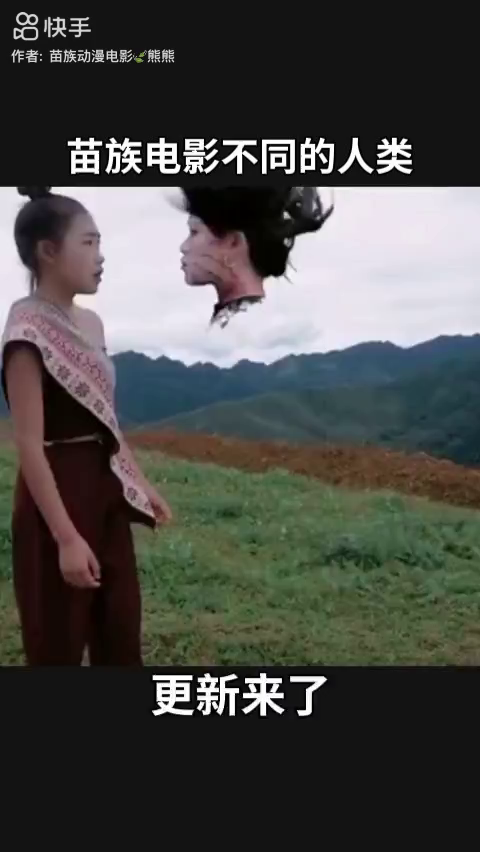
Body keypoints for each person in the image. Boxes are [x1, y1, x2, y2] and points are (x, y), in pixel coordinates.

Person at [1, 186, 172, 666]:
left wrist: (140, 481)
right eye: (88, 242)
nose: (100, 256)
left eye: (100, 243)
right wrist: (66, 538)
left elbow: (105, 419)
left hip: (105, 488)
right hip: (56, 492)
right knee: (56, 636)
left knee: (119, 627)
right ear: (48, 251)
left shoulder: (93, 324)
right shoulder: (25, 330)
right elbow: (29, 445)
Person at [178, 186, 334, 327]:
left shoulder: (239, 330)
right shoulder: (253, 323)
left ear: (234, 242)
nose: (183, 247)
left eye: (194, 232)